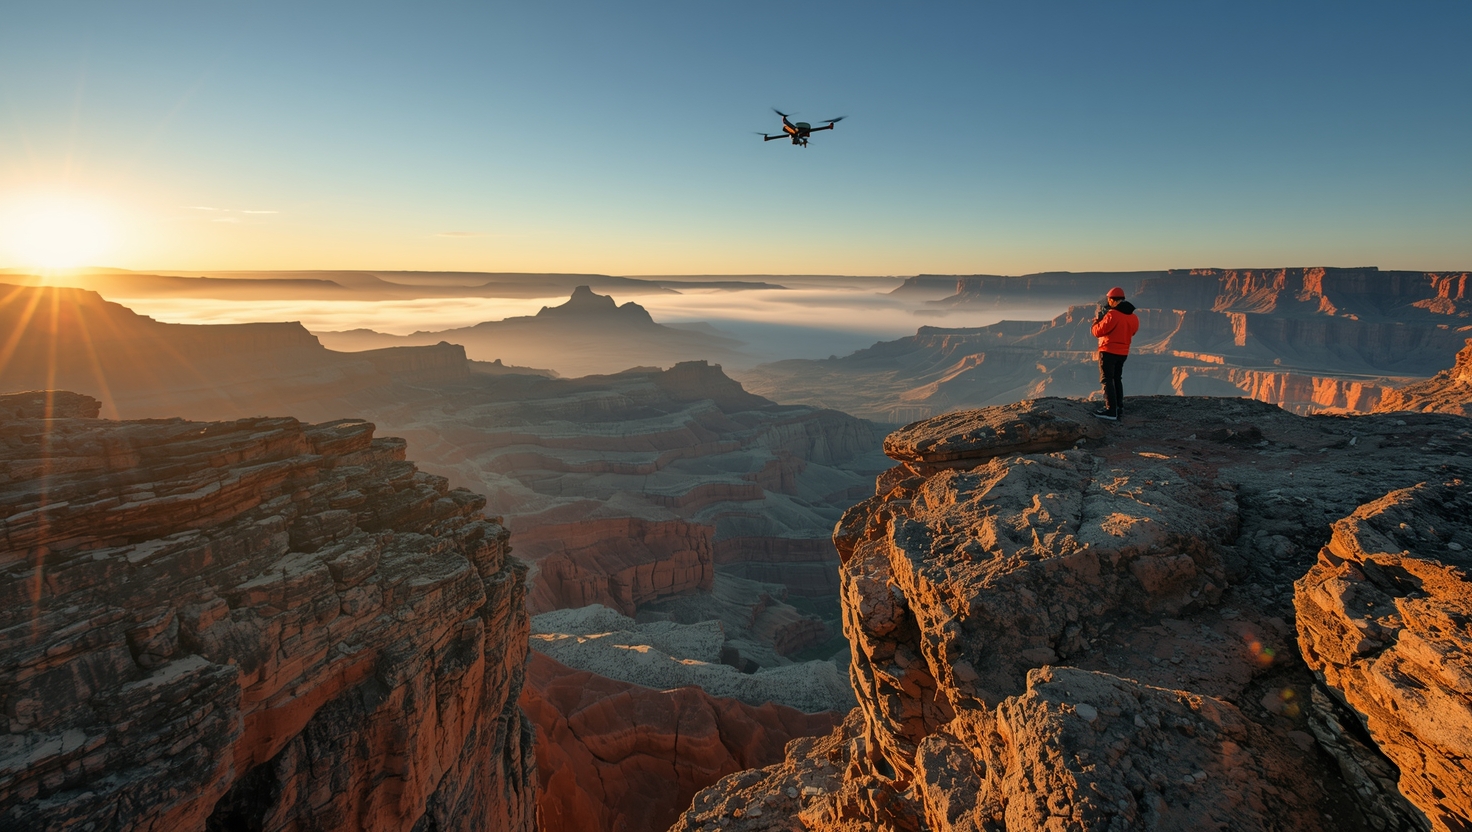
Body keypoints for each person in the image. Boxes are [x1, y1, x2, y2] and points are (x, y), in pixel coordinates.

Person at [1090, 286, 1139, 421]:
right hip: (1123, 352)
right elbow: (1133, 332)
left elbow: (1097, 332)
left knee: (1107, 379)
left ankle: (1110, 411)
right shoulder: (1133, 317)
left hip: (1108, 351)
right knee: (1117, 378)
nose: (1108, 302)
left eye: (1109, 300)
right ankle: (1119, 408)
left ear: (1112, 300)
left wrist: (1096, 322)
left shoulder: (1112, 315)